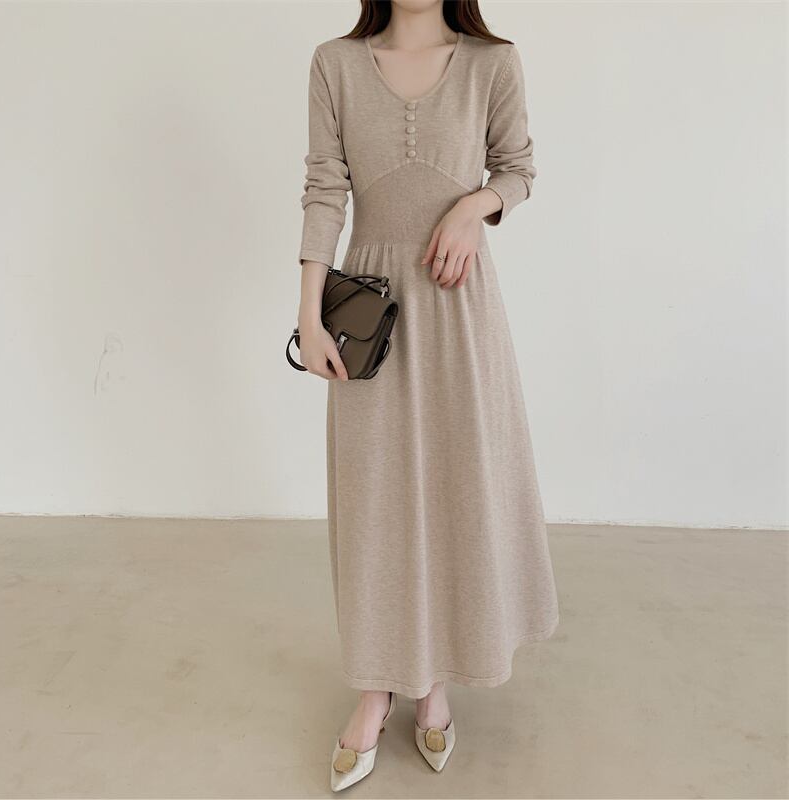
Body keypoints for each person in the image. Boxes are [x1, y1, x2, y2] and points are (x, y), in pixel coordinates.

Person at [294, 0, 560, 790]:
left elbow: (518, 169)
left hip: (458, 304)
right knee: (374, 500)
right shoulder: (335, 63)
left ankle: (435, 679)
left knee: (456, 490)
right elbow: (324, 189)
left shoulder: (492, 63)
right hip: (368, 312)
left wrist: (475, 207)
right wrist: (307, 313)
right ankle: (376, 687)